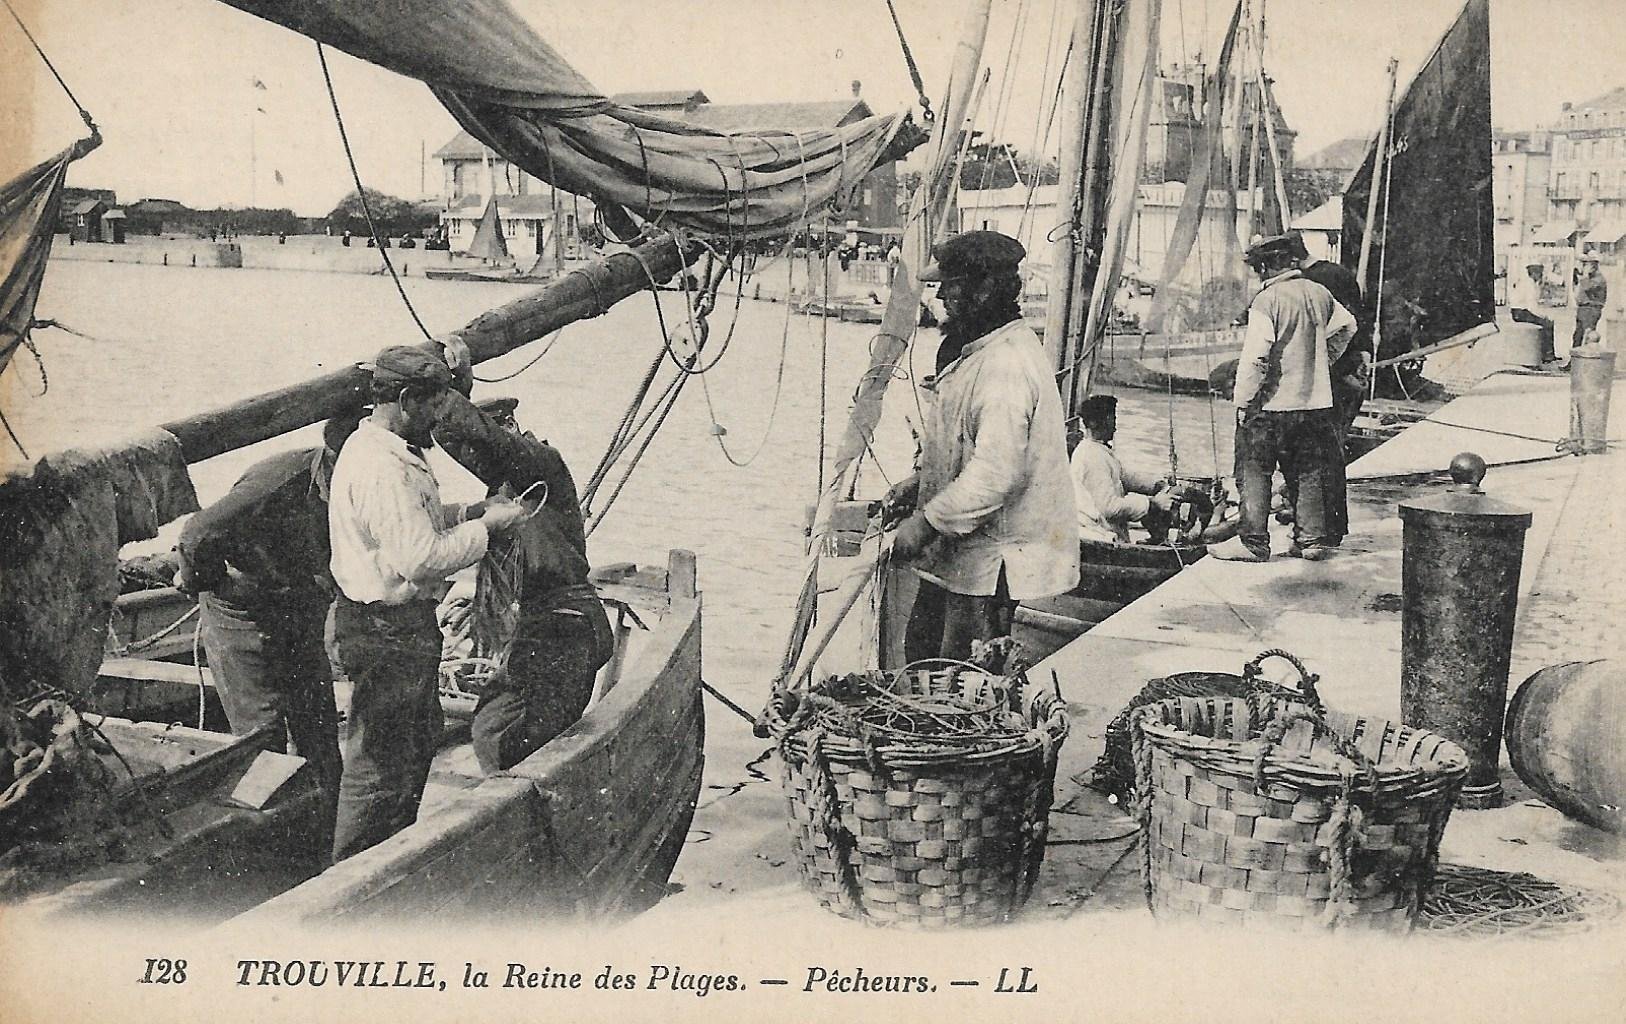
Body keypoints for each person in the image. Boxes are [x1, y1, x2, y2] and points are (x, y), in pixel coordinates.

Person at [325, 345, 529, 863]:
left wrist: (467, 510)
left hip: (392, 626)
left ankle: (389, 860)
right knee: (379, 763)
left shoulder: (383, 450)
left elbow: (412, 523)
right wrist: (487, 528)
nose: (439, 420)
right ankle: (351, 875)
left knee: (410, 750)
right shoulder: (383, 467)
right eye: (434, 407)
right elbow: (421, 558)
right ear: (407, 399)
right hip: (385, 630)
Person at [173, 408, 365, 860]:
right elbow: (197, 533)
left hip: (297, 606)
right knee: (262, 737)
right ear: (331, 459)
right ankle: (265, 853)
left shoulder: (369, 481)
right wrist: (200, 580)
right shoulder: (279, 480)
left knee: (317, 728)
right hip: (242, 611)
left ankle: (332, 846)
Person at [884, 230, 1079, 662]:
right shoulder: (980, 354)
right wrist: (921, 483)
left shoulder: (1006, 365)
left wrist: (925, 522)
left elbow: (995, 473)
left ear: (985, 289)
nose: (941, 298)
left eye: (950, 287)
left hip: (994, 562)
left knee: (958, 675)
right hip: (964, 552)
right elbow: (969, 445)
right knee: (921, 652)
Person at [433, 393, 612, 774]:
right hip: (542, 627)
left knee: (508, 736)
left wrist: (438, 390)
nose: (475, 457)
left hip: (566, 627)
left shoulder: (546, 468)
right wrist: (452, 390)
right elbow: (458, 441)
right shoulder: (503, 491)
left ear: (512, 430)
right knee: (494, 729)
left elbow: (489, 440)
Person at [1208, 234, 1356, 563]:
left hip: (1272, 405)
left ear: (1263, 268)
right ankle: (1312, 540)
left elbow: (1256, 358)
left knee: (1254, 468)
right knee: (1308, 470)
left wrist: (1243, 401)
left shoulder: (1267, 301)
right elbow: (1348, 326)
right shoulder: (1320, 293)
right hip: (1315, 402)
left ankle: (1253, 543)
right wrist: (1324, 361)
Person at [1288, 232, 1369, 547]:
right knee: (1332, 454)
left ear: (1291, 260)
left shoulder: (1306, 285)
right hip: (1346, 375)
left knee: (1311, 456)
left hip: (1325, 379)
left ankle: (1315, 530)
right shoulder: (1339, 274)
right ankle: (1332, 527)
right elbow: (1355, 321)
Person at [1069, 394, 1174, 544]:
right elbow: (1109, 508)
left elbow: (1125, 476)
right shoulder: (1091, 456)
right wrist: (1151, 504)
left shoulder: (1099, 449)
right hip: (1101, 533)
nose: (1115, 428)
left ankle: (1158, 540)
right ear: (1094, 423)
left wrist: (1158, 485)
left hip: (1107, 528)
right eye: (1111, 421)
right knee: (1152, 510)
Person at [1507, 263, 1556, 363]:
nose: (1540, 276)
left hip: (1518, 311)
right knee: (1547, 324)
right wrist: (1544, 316)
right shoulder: (1529, 284)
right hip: (1521, 313)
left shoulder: (1527, 282)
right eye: (1539, 274)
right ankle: (1547, 355)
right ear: (1533, 273)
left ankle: (1547, 354)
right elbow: (1532, 307)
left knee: (1545, 322)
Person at [1575, 257, 1609, 353]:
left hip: (1591, 309)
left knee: (1588, 336)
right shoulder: (1589, 277)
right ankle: (1573, 361)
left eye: (1585, 264)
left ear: (1593, 266)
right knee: (1577, 336)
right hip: (1583, 309)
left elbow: (1587, 287)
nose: (1583, 266)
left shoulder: (1599, 279)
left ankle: (1586, 361)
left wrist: (1584, 274)